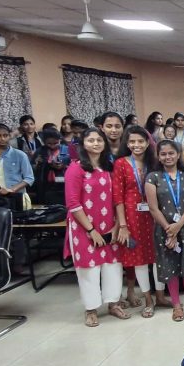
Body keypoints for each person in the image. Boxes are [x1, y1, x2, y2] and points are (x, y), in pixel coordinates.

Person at [64, 128, 129, 327]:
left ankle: (113, 304)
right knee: (89, 269)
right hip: (84, 228)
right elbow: (73, 203)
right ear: (83, 144)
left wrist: (117, 225)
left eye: (99, 140)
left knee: (113, 266)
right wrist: (91, 230)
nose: (95, 144)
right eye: (90, 140)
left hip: (110, 226)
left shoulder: (109, 167)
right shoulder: (76, 168)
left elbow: (117, 198)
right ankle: (91, 309)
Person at [113, 125, 164, 317]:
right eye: (132, 141)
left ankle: (160, 296)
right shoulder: (121, 163)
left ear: (148, 143)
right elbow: (118, 197)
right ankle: (148, 299)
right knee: (139, 259)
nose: (137, 145)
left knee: (158, 257)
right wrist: (123, 225)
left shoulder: (154, 162)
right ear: (126, 144)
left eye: (141, 141)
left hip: (155, 215)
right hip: (132, 217)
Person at [145, 140, 184, 322]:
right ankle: (176, 304)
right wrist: (170, 230)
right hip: (164, 228)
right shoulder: (152, 177)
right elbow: (153, 208)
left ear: (178, 154)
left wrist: (179, 225)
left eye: (171, 153)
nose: (167, 157)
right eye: (163, 154)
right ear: (158, 156)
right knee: (169, 265)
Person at [0, 123, 35, 211]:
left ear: (9, 136)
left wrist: (11, 189)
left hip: (15, 196)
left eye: (5, 135)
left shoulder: (19, 155)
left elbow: (29, 178)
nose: (2, 138)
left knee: (15, 218)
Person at [31, 129, 69, 205]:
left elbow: (76, 166)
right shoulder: (40, 151)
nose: (52, 146)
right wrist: (41, 164)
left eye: (55, 143)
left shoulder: (67, 150)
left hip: (64, 184)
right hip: (45, 184)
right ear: (44, 142)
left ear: (60, 140)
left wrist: (64, 165)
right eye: (49, 143)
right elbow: (32, 167)